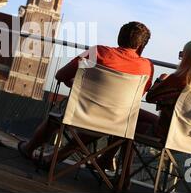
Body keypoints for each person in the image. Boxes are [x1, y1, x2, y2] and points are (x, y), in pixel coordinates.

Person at [18, 22, 156, 169]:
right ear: (141, 46)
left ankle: (30, 148)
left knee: (59, 114)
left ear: (119, 38)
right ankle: (59, 158)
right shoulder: (147, 67)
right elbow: (136, 96)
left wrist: (78, 86)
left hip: (82, 113)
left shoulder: (98, 52)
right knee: (109, 120)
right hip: (117, 121)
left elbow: (60, 75)